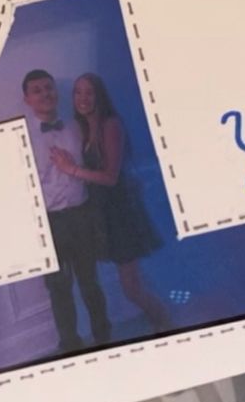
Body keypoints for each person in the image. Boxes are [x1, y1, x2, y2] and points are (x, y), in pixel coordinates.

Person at [50, 73, 170, 332]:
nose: (82, 98)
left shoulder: (110, 124)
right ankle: (160, 323)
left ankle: (166, 324)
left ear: (99, 95)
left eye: (89, 92)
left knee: (131, 288)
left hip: (121, 213)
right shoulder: (81, 127)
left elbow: (110, 177)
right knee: (132, 283)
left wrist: (70, 169)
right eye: (78, 92)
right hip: (102, 214)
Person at [22, 69, 111, 352]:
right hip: (50, 223)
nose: (45, 93)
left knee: (90, 283)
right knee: (59, 290)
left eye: (49, 87)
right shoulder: (21, 138)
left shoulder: (76, 126)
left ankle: (105, 339)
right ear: (27, 99)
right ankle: (71, 346)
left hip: (82, 216)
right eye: (37, 90)